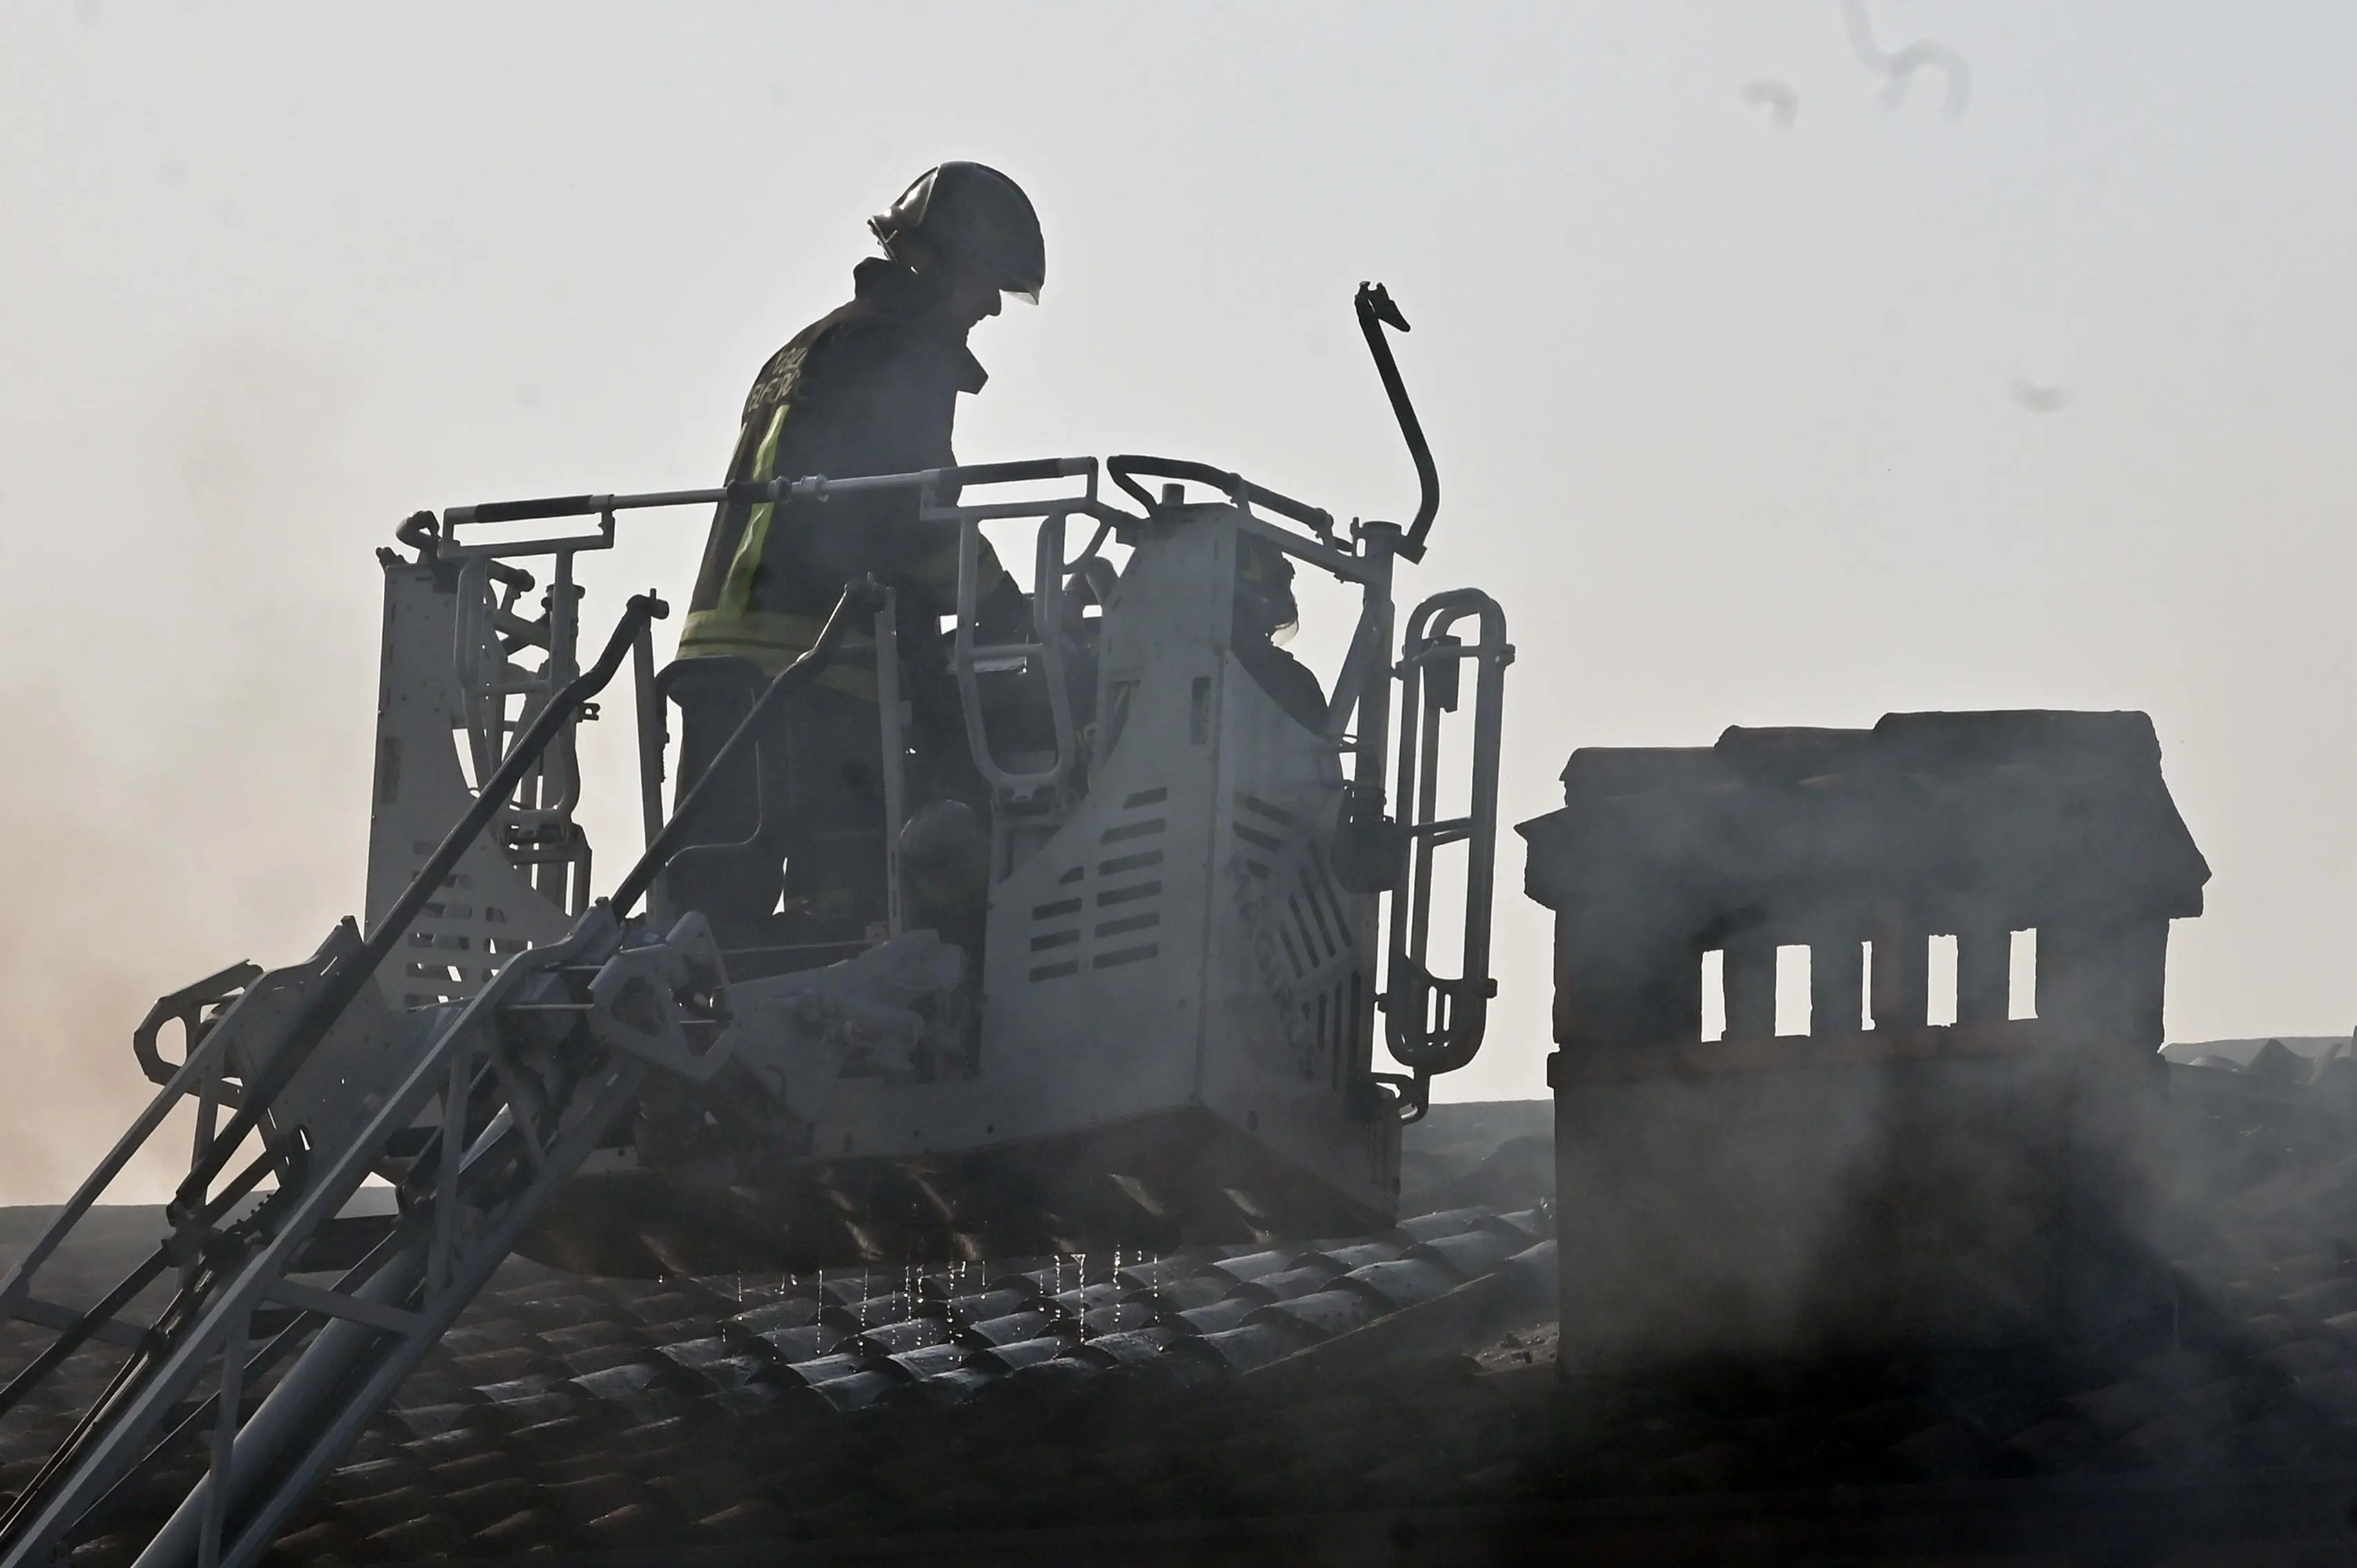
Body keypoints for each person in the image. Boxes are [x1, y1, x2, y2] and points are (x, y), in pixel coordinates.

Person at [666, 163, 1045, 954]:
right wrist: (1005, 606)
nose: (986, 309)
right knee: (836, 921)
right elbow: (918, 517)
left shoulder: (818, 341)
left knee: (704, 921)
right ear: (935, 262)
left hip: (721, 658)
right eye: (985, 284)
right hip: (816, 665)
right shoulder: (901, 353)